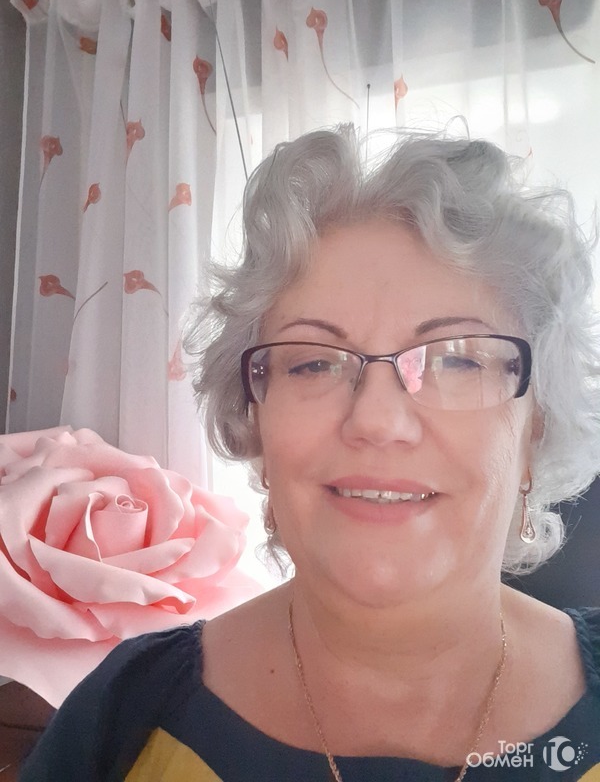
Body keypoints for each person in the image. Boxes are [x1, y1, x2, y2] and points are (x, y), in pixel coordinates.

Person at [20, 126, 600, 781]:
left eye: (456, 360)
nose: (376, 420)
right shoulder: (124, 716)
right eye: (314, 363)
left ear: (536, 428)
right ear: (256, 427)